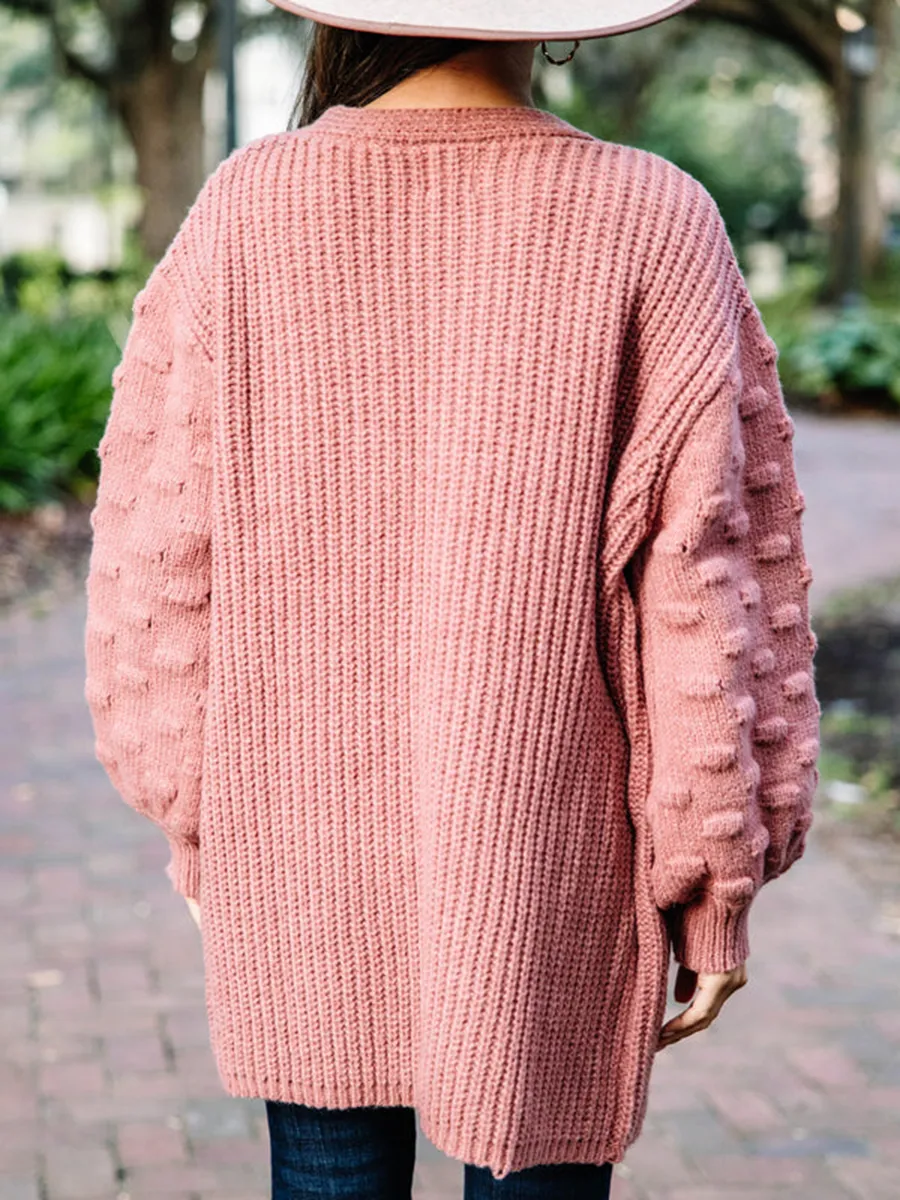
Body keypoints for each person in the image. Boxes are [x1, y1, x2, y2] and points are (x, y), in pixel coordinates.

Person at [82, 1, 822, 1196]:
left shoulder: (248, 208)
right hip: (550, 847)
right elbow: (709, 582)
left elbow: (158, 557)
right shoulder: (650, 215)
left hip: (299, 841)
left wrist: (201, 822)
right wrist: (713, 878)